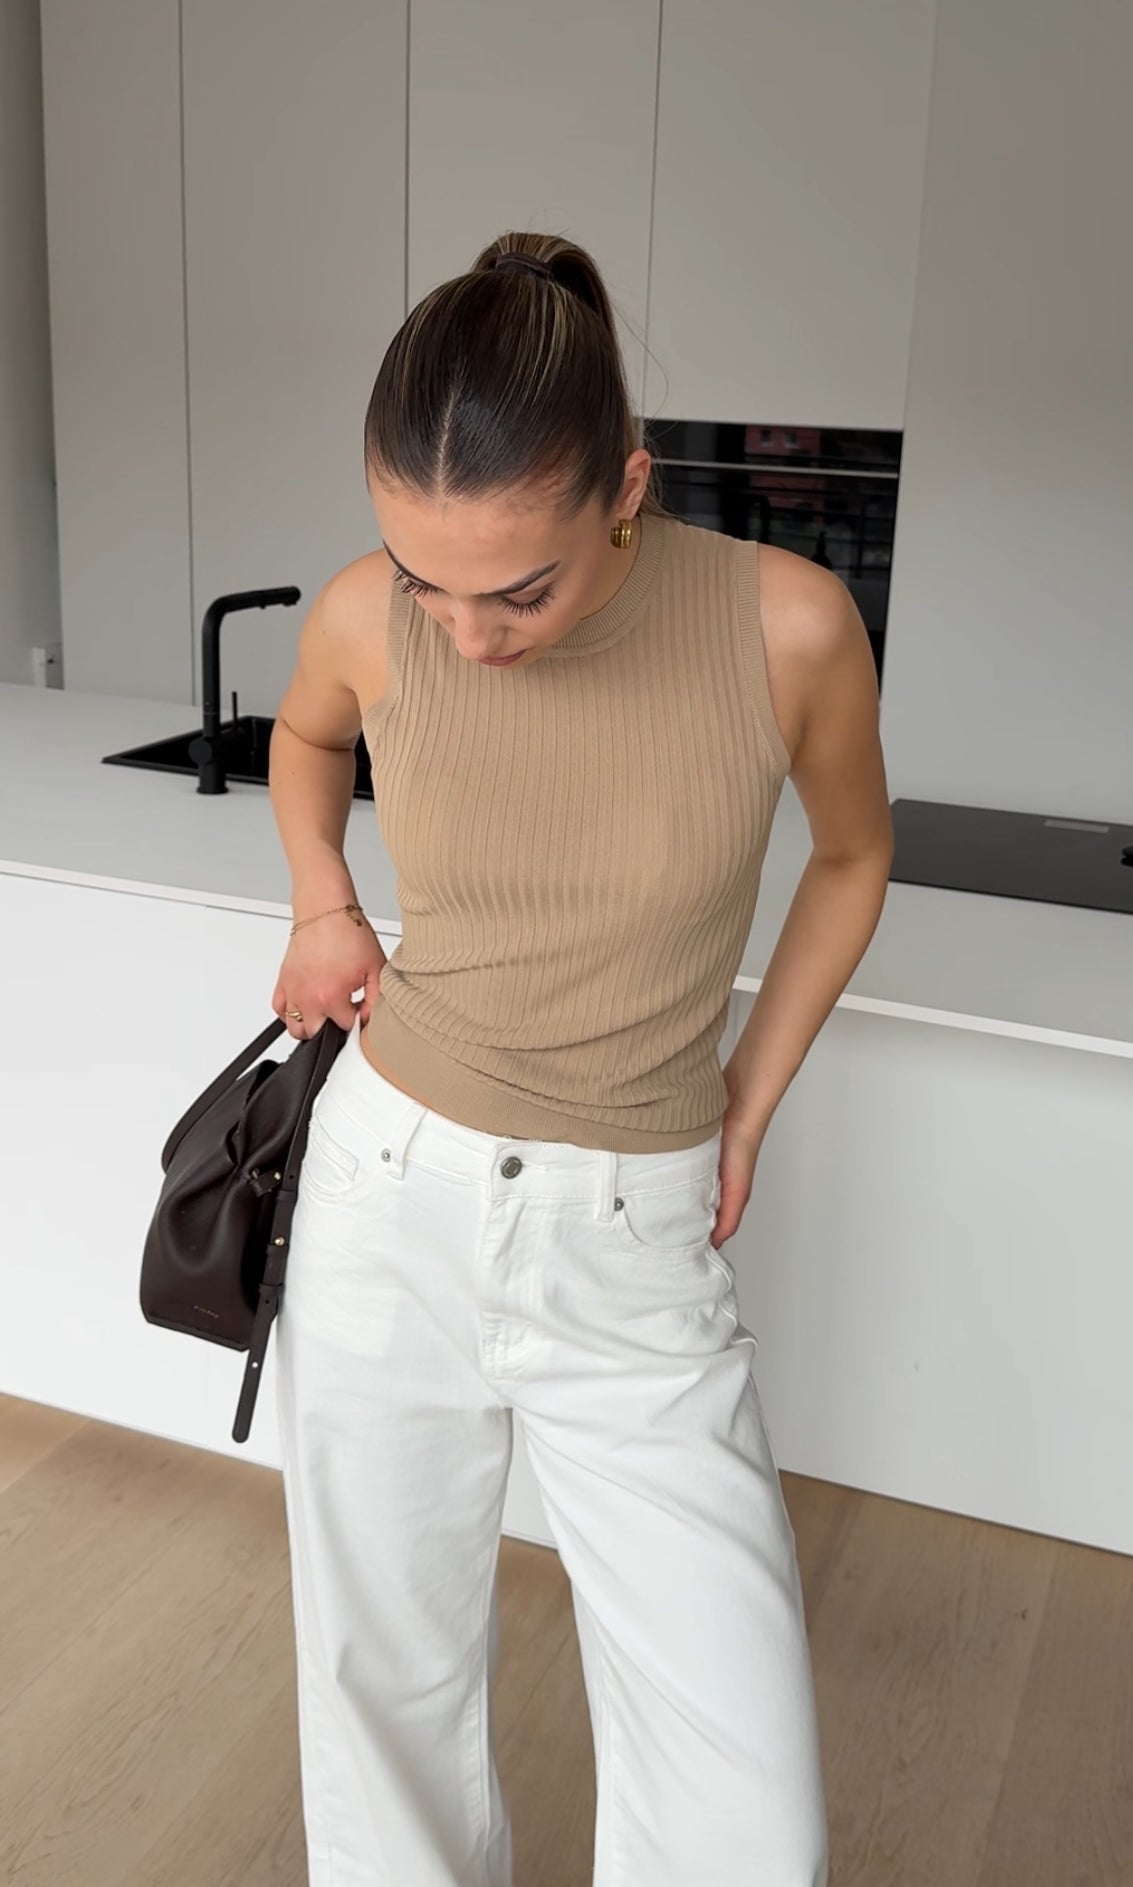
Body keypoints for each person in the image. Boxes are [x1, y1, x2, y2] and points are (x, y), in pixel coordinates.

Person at [267, 229, 893, 1887]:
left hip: (633, 1228)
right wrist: (325, 900)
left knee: (737, 1782)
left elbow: (852, 858)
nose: (468, 636)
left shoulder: (788, 627)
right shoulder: (365, 613)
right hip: (386, 1194)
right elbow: (309, 731)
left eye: (519, 591)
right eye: (428, 583)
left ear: (624, 488)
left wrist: (749, 1097)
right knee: (382, 1688)